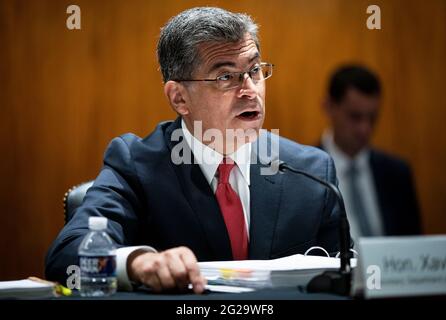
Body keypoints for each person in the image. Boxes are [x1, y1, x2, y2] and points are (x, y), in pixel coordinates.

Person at [46, 7, 343, 294]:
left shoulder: (312, 172)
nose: (250, 89)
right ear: (179, 98)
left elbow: (343, 275)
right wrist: (138, 263)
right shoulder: (138, 164)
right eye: (226, 77)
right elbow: (67, 256)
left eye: (254, 70)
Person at [320, 65, 421, 239]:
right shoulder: (303, 170)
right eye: (355, 117)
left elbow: (414, 247)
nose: (365, 129)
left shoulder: (396, 172)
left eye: (372, 118)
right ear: (329, 107)